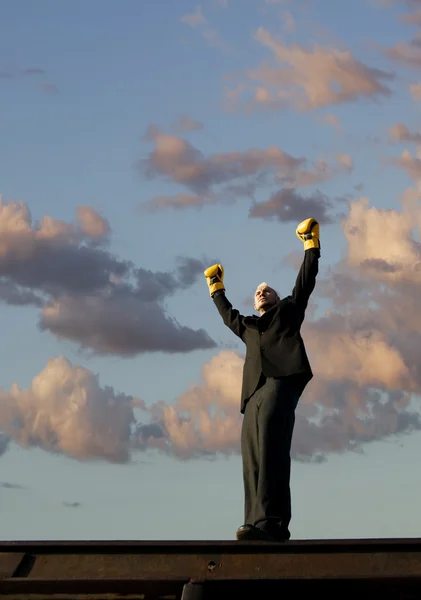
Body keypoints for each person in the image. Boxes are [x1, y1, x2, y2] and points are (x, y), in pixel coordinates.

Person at [204, 218, 320, 542]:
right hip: (253, 391)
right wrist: (217, 288)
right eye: (257, 291)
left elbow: (305, 283)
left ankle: (273, 522)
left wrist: (311, 245)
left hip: (281, 380)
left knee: (271, 443)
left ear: (275, 297)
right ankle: (255, 523)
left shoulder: (288, 311)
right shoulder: (250, 327)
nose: (260, 291)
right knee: (252, 453)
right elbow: (229, 317)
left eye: (266, 289)